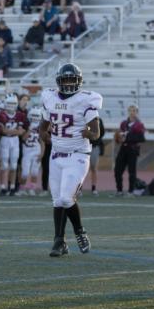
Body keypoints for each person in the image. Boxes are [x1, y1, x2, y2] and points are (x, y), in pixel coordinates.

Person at [39, 64, 102, 256]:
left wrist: (88, 133)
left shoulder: (86, 100)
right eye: (64, 80)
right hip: (56, 155)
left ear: (78, 82)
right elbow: (42, 127)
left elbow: (96, 133)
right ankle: (59, 242)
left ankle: (80, 231)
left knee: (67, 198)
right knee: (57, 200)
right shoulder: (49, 98)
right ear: (58, 81)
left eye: (71, 80)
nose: (67, 84)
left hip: (78, 154)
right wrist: (45, 136)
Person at [0, 95, 27, 196]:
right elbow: (3, 130)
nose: (11, 106)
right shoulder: (1, 115)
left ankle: (12, 187)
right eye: (9, 104)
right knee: (4, 165)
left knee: (14, 165)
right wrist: (15, 131)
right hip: (5, 140)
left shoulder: (20, 115)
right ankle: (3, 187)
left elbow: (22, 132)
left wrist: (12, 132)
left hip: (14, 141)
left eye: (13, 104)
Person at [113, 104, 145, 197]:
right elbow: (119, 136)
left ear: (137, 112)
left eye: (134, 110)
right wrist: (118, 138)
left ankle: (131, 191)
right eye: (130, 110)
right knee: (117, 170)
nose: (132, 112)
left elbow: (141, 138)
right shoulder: (123, 123)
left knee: (132, 172)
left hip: (132, 149)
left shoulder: (139, 124)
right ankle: (119, 190)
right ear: (128, 111)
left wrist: (127, 138)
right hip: (123, 148)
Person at [21, 107, 43, 195]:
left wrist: (42, 153)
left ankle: (32, 188)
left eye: (36, 115)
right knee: (25, 172)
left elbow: (42, 142)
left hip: (36, 150)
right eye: (33, 115)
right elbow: (23, 138)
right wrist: (29, 129)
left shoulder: (41, 127)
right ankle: (22, 189)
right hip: (27, 151)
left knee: (35, 172)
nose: (34, 117)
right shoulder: (26, 125)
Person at [87, 116, 105, 196]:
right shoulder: (84, 118)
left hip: (94, 146)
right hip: (84, 146)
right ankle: (79, 189)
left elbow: (102, 133)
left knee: (94, 168)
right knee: (81, 168)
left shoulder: (99, 119)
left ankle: (93, 188)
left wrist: (95, 139)